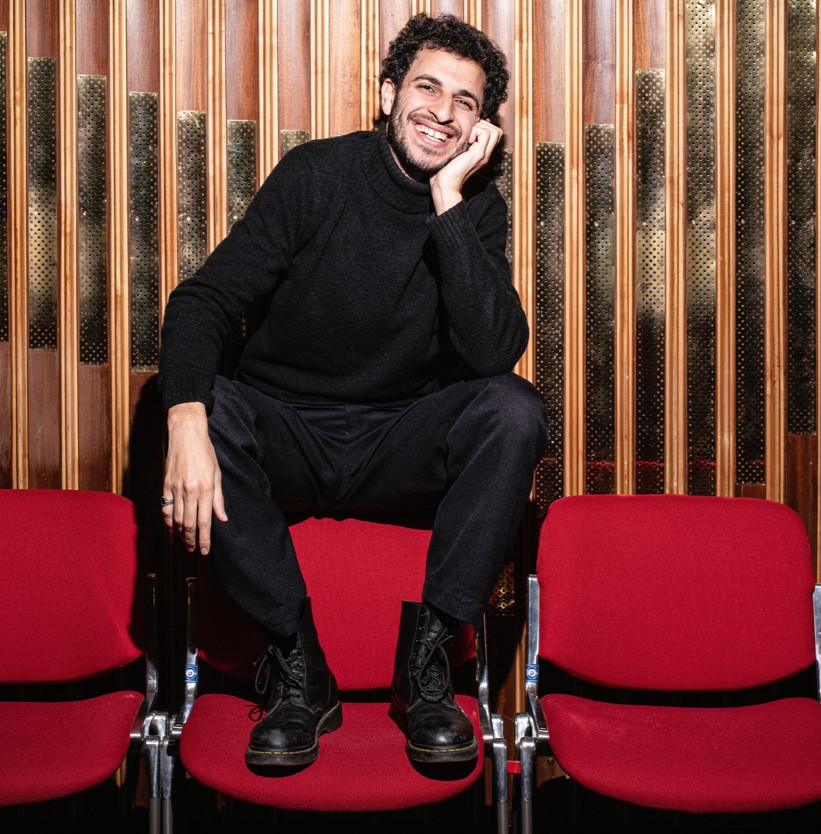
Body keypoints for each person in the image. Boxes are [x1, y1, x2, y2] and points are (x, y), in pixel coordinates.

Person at [158, 12, 546, 768]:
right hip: (288, 435)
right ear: (387, 92)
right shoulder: (316, 175)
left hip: (394, 443)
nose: (440, 110)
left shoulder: (475, 211)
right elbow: (203, 302)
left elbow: (494, 351)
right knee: (207, 403)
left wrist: (448, 203)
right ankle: (297, 669)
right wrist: (183, 421)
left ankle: (428, 665)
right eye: (426, 88)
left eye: (463, 102)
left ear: (478, 128)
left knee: (512, 407)